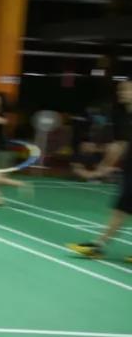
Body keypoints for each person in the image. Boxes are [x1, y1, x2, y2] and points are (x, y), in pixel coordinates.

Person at [69, 80, 132, 261]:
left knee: (121, 209)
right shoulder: (123, 116)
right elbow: (119, 145)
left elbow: (119, 146)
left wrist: (101, 168)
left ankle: (98, 246)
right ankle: (98, 246)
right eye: (121, 89)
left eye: (128, 89)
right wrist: (102, 167)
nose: (122, 92)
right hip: (129, 169)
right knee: (121, 209)